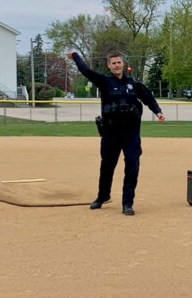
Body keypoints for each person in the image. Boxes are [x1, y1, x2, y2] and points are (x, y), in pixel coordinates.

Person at [67, 51, 165, 215]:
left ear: (123, 63)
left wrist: (158, 111)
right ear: (109, 65)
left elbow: (149, 98)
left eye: (119, 62)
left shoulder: (133, 83)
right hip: (111, 132)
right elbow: (86, 71)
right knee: (107, 166)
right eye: (113, 63)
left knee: (132, 166)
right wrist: (75, 56)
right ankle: (102, 196)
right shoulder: (104, 82)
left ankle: (127, 203)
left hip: (131, 133)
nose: (117, 65)